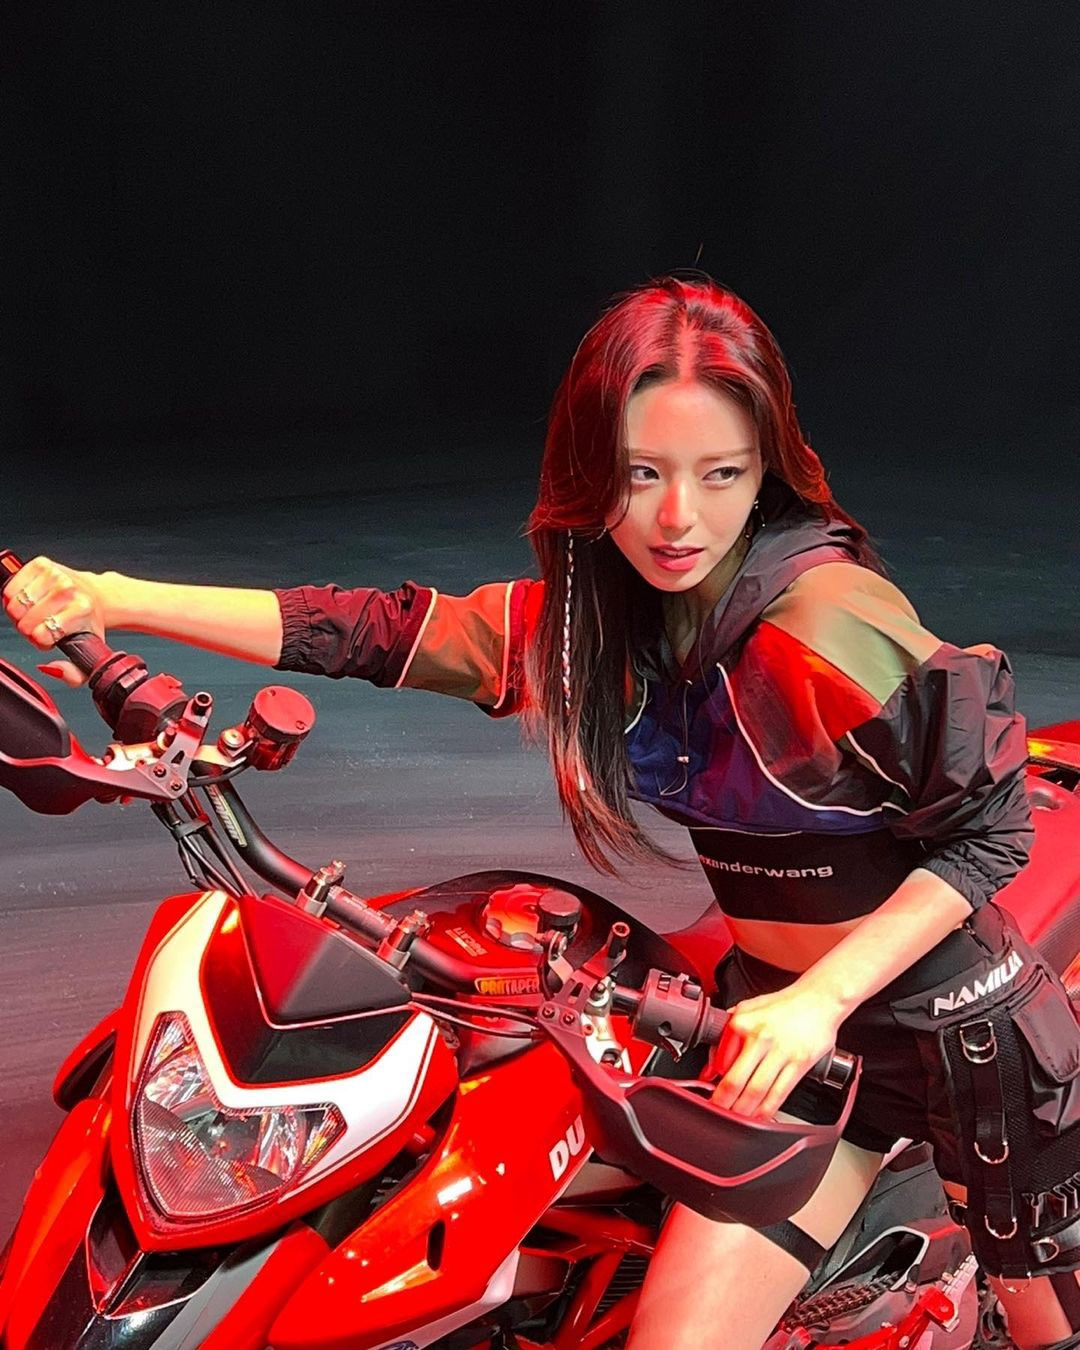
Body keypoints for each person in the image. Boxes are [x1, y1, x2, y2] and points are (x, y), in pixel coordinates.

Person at [6, 275, 1080, 1350]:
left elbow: (990, 830)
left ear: (767, 472)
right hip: (774, 1037)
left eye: (721, 474)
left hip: (952, 1040)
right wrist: (116, 597)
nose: (677, 518)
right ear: (589, 471)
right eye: (641, 473)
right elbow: (379, 630)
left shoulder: (829, 620)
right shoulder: (603, 625)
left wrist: (818, 1002)